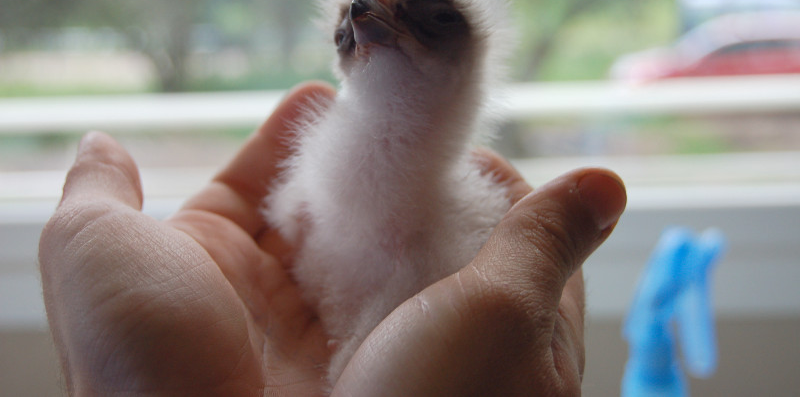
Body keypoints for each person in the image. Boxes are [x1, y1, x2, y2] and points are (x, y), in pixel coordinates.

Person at [38, 81, 626, 396]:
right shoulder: (326, 167)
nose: (369, 25)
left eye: (430, 22)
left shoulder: (457, 209)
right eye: (353, 21)